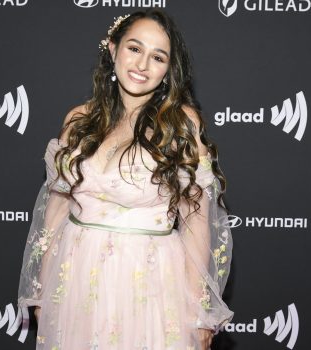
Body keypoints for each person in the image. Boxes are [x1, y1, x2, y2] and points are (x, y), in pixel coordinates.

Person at [18, 9, 233, 350]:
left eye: (157, 57)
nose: (142, 65)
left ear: (167, 72)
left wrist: (200, 311)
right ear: (113, 49)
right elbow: (56, 212)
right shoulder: (79, 120)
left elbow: (195, 221)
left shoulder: (180, 124)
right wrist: (43, 293)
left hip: (151, 284)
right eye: (134, 49)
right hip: (75, 278)